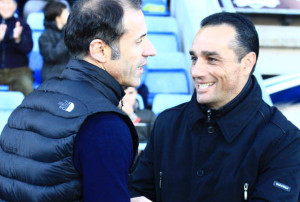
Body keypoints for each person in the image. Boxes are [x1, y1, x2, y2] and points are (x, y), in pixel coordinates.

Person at [130, 12, 300, 202]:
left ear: (247, 63)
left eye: (211, 59)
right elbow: (137, 191)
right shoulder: (167, 124)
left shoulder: (284, 141)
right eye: (194, 58)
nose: (196, 71)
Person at [0, 0, 156, 201]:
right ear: (100, 50)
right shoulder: (105, 125)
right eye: (139, 40)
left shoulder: (29, 103)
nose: (151, 50)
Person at [0, 0, 33, 96]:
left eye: (9, 3)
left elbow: (28, 48)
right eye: (3, 2)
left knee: (27, 85)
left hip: (19, 70)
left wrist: (18, 39)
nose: (6, 6)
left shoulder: (23, 25)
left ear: (15, 6)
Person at [39, 1, 70, 81]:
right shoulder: (44, 37)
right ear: (58, 18)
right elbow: (52, 56)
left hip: (69, 75)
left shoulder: (70, 32)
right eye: (65, 12)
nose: (69, 14)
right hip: (52, 77)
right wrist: (67, 38)